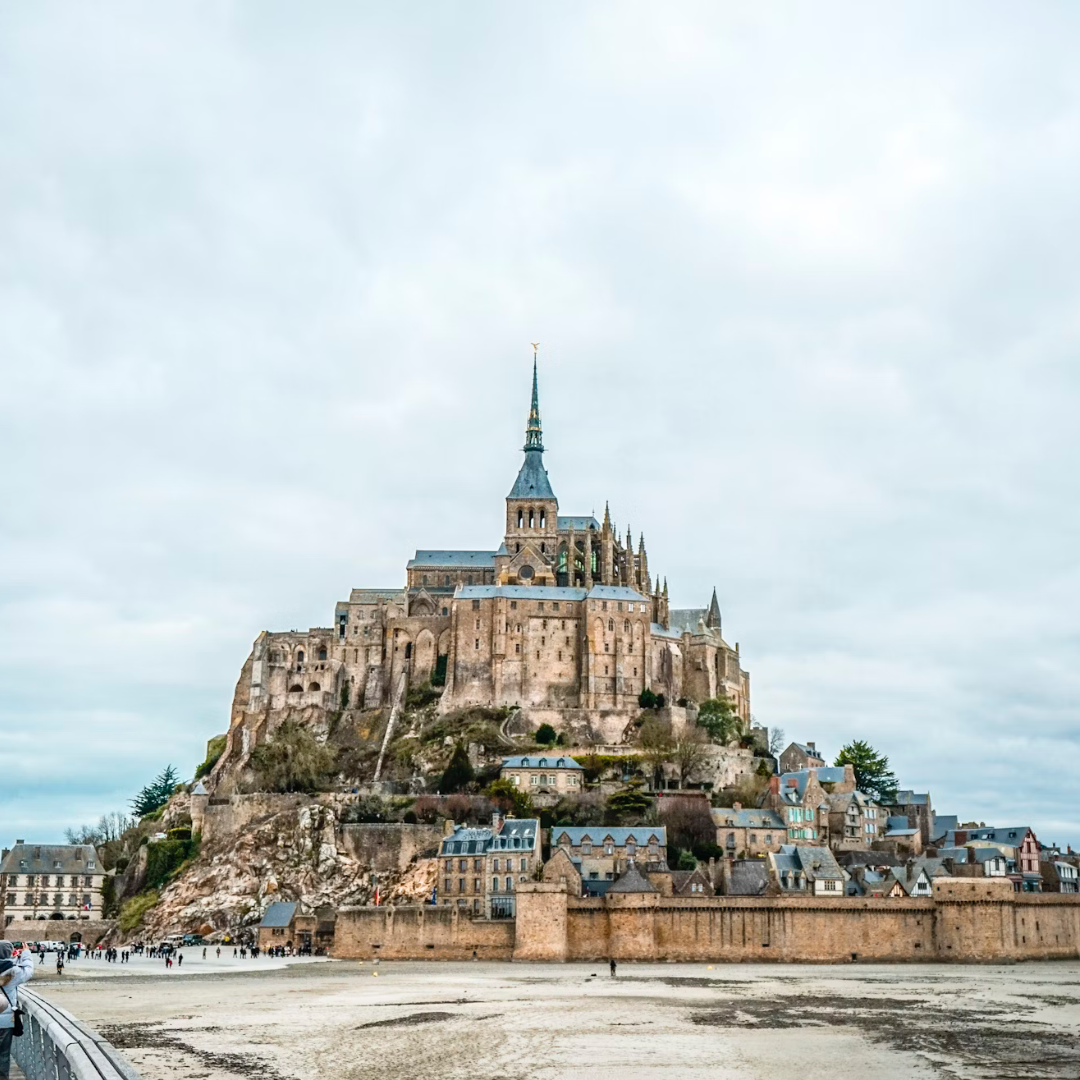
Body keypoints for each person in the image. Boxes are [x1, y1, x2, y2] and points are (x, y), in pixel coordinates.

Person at [0, 941, 34, 1080]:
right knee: (3, 1055)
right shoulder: (14, 971)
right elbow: (28, 971)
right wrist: (25, 954)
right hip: (6, 1021)